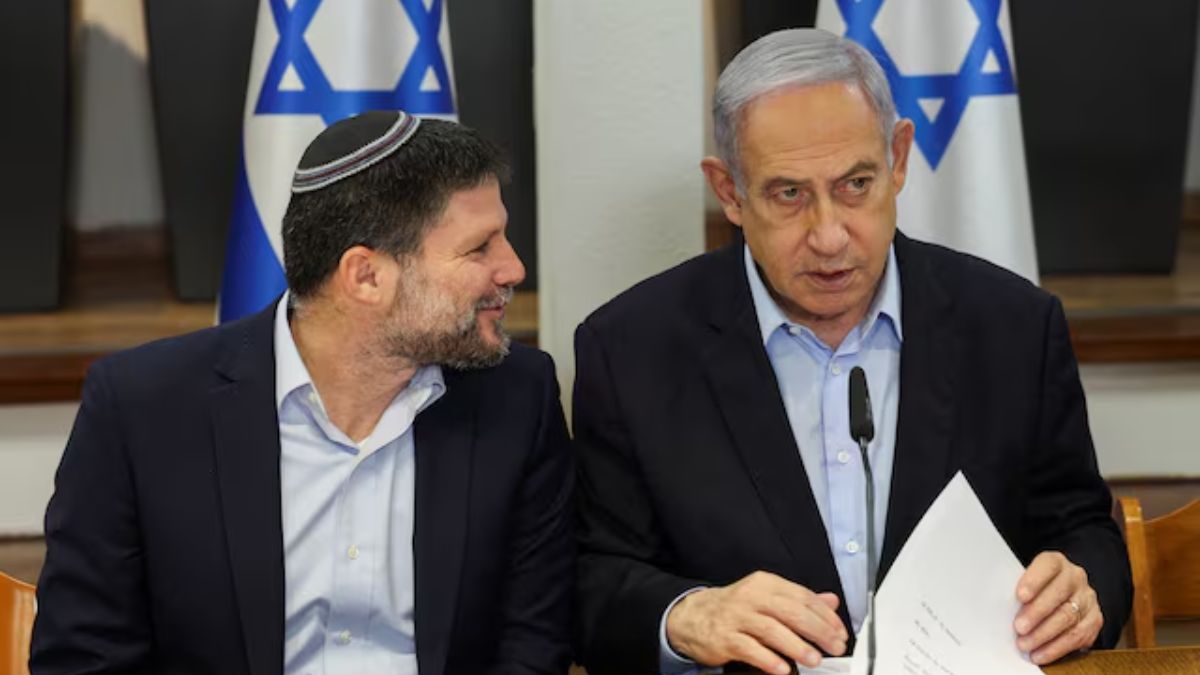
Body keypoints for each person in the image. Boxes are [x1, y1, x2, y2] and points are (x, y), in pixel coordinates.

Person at [573, 29, 1131, 675]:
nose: (830, 235)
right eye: (789, 194)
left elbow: (1084, 529)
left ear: (897, 159)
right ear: (729, 192)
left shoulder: (1012, 326)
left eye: (856, 184)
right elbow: (591, 584)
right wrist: (686, 614)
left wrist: (1083, 586)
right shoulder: (632, 350)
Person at [31, 111, 574, 675]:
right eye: (479, 248)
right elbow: (83, 658)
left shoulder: (518, 396)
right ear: (365, 276)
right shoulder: (143, 410)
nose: (513, 268)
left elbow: (533, 645)